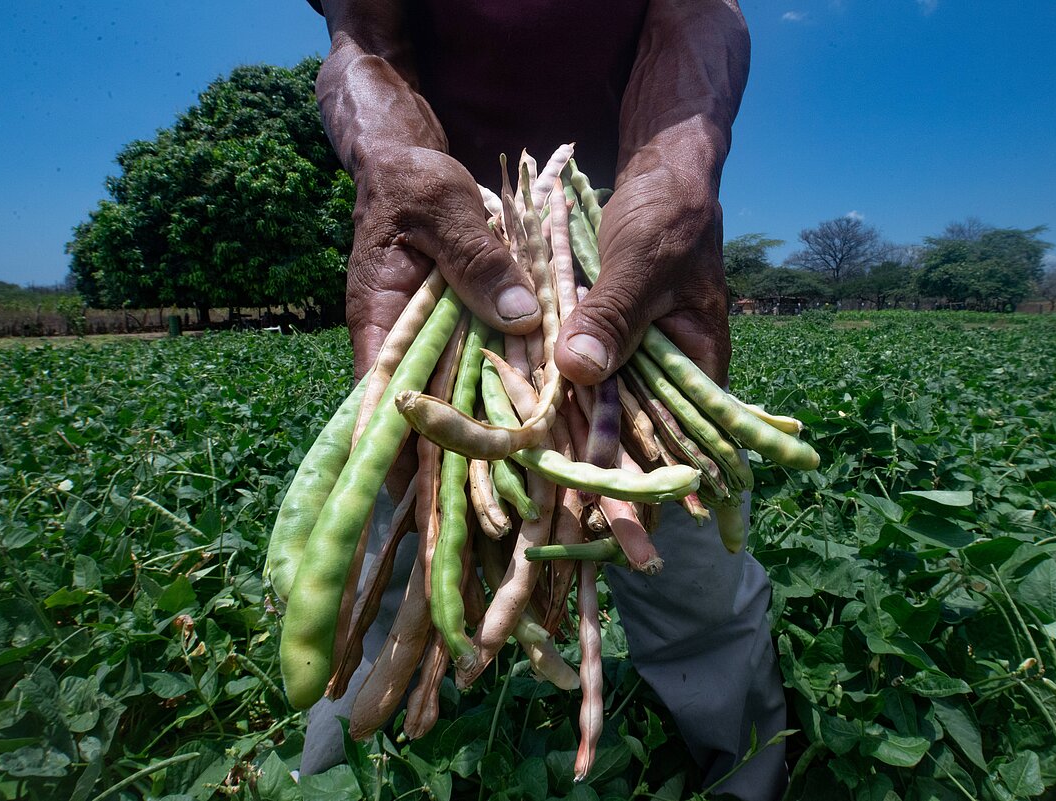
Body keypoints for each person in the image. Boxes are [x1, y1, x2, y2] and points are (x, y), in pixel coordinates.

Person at [298, 2, 789, 799]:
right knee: (400, 538)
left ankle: (750, 777)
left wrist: (677, 175)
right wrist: (390, 158)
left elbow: (699, 11)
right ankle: (330, 771)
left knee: (692, 566)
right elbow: (365, 33)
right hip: (444, 248)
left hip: (619, 244)